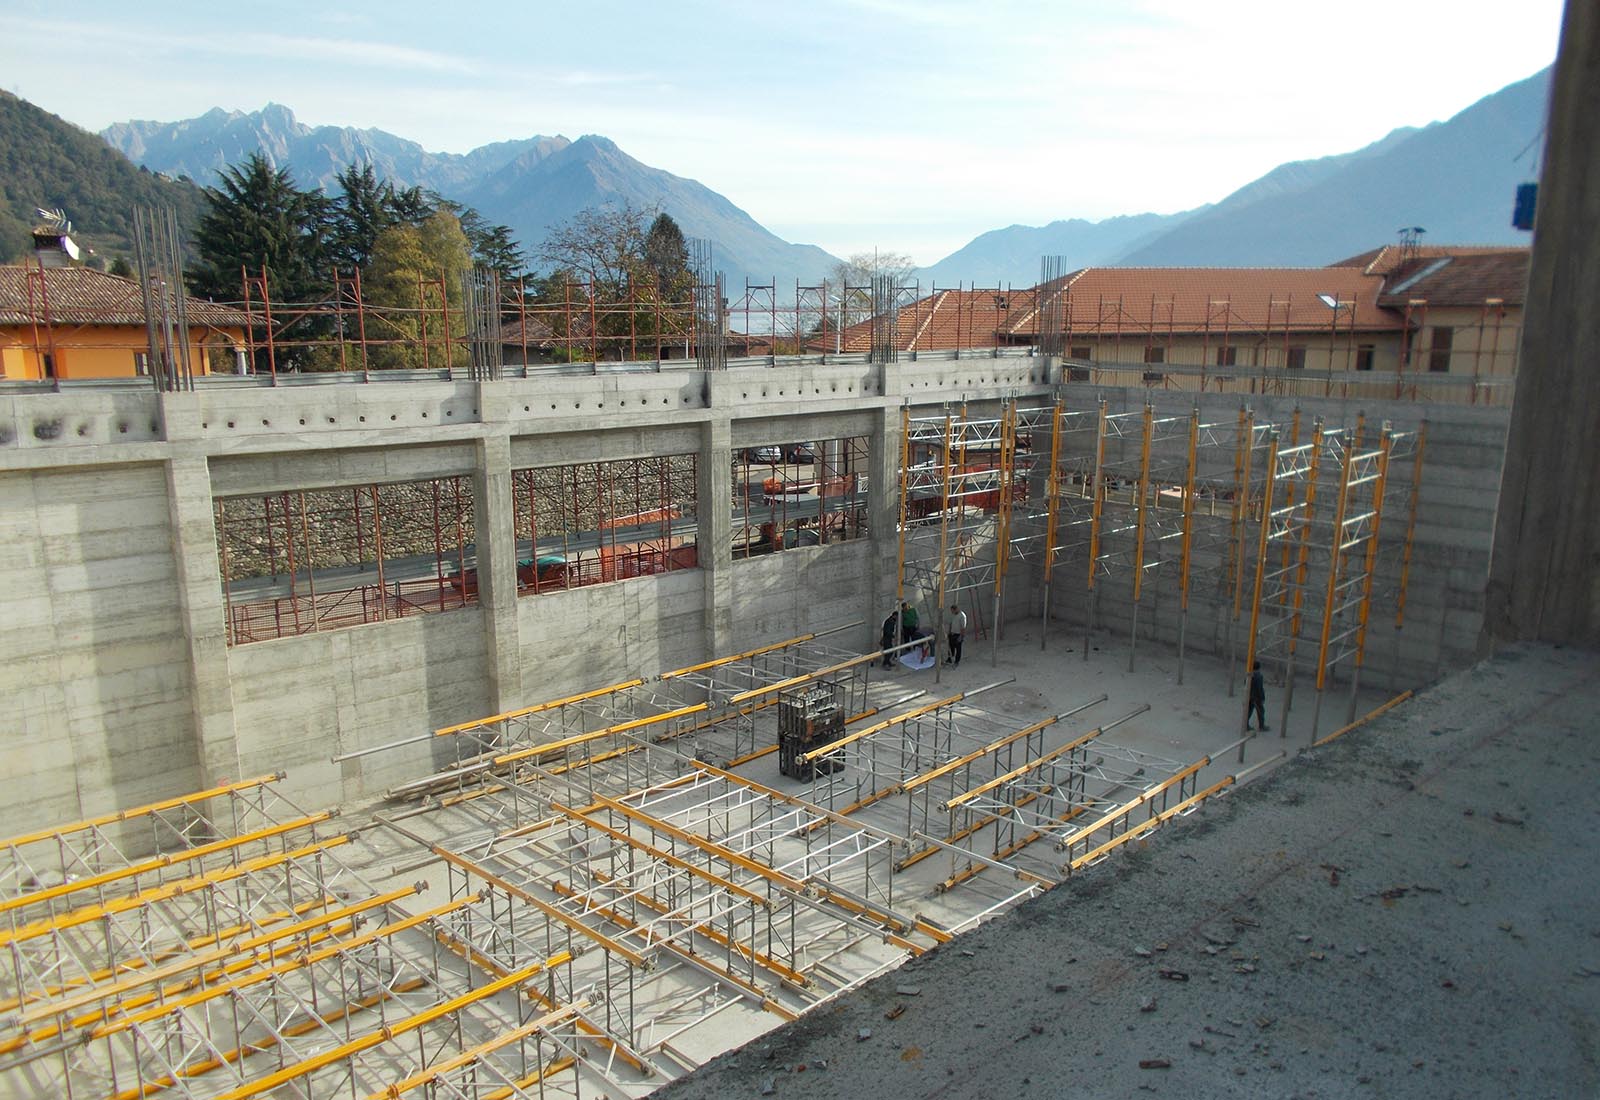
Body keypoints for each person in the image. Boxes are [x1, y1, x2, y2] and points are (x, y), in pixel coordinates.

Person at [1247, 660, 1269, 731]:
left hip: (1249, 696)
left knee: (1249, 711)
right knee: (1261, 711)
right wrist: (1262, 698)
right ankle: (1262, 726)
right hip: (1256, 697)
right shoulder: (1259, 676)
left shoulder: (1249, 674)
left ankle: (1246, 725)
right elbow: (1260, 688)